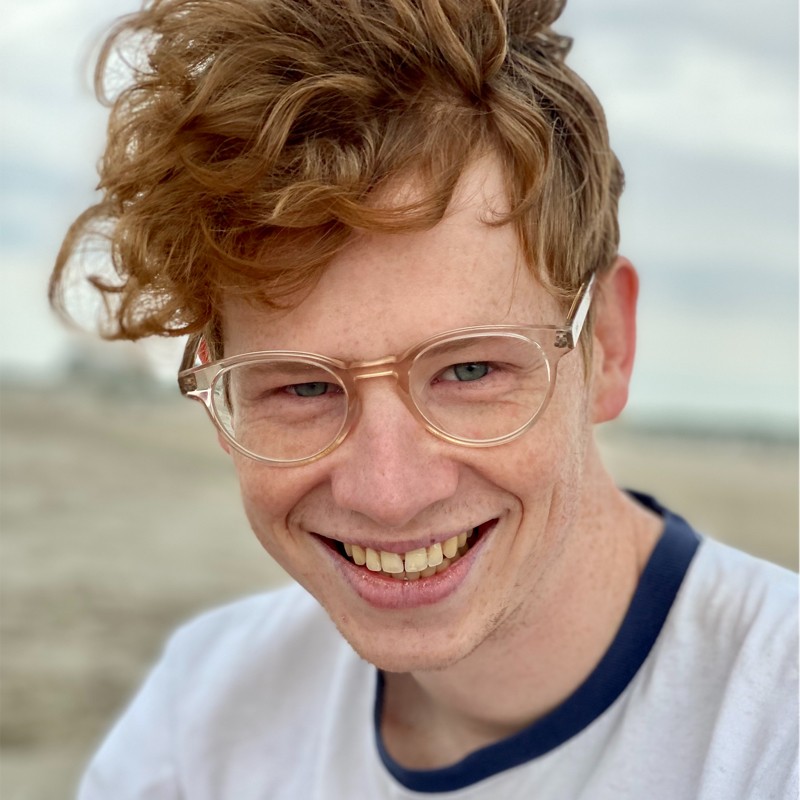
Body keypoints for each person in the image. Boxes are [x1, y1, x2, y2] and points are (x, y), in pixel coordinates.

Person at [50, 0, 797, 797]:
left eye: (470, 371)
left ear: (606, 343)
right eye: (302, 386)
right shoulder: (198, 719)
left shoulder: (771, 727)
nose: (389, 494)